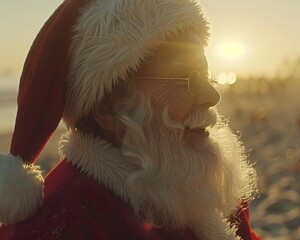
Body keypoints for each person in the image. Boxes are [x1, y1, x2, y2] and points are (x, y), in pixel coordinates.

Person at [0, 0, 260, 239]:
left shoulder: (203, 184)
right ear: (108, 109)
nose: (211, 95)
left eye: (207, 76)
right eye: (187, 78)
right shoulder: (70, 224)